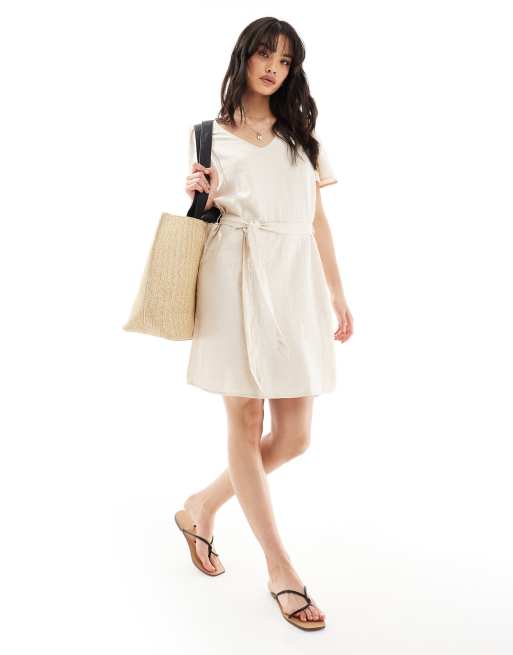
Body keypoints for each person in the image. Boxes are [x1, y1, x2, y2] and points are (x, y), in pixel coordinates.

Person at [175, 17, 353, 631]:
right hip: (232, 276)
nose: (273, 67)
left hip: (295, 280)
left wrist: (337, 292)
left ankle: (200, 505)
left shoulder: (302, 135)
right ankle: (281, 570)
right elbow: (207, 211)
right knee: (246, 421)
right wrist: (202, 192)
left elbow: (317, 219)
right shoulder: (208, 136)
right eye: (264, 55)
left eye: (285, 59)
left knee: (295, 436)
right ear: (244, 58)